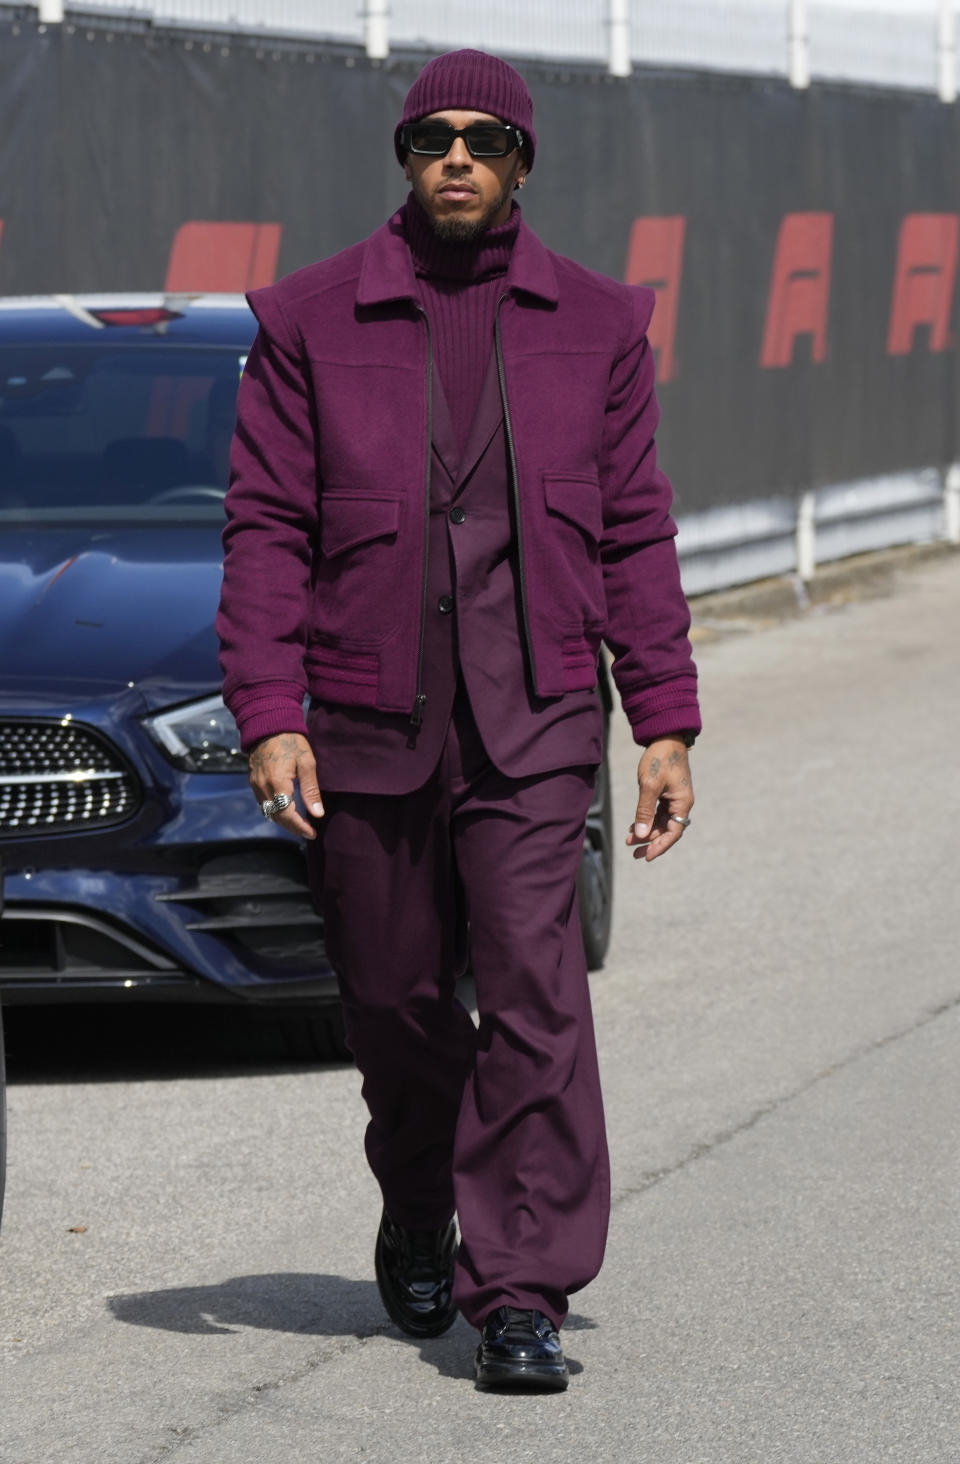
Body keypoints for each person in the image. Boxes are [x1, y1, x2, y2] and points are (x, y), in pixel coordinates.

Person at [216, 48, 700, 1392]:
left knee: (541, 1001)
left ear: (524, 161)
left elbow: (636, 536)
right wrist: (269, 707)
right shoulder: (311, 318)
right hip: (370, 718)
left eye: (486, 139)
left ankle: (522, 1289)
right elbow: (263, 527)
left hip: (538, 718)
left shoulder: (598, 325)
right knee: (393, 999)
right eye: (433, 138)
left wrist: (662, 717)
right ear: (406, 158)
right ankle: (421, 1197)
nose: (459, 160)